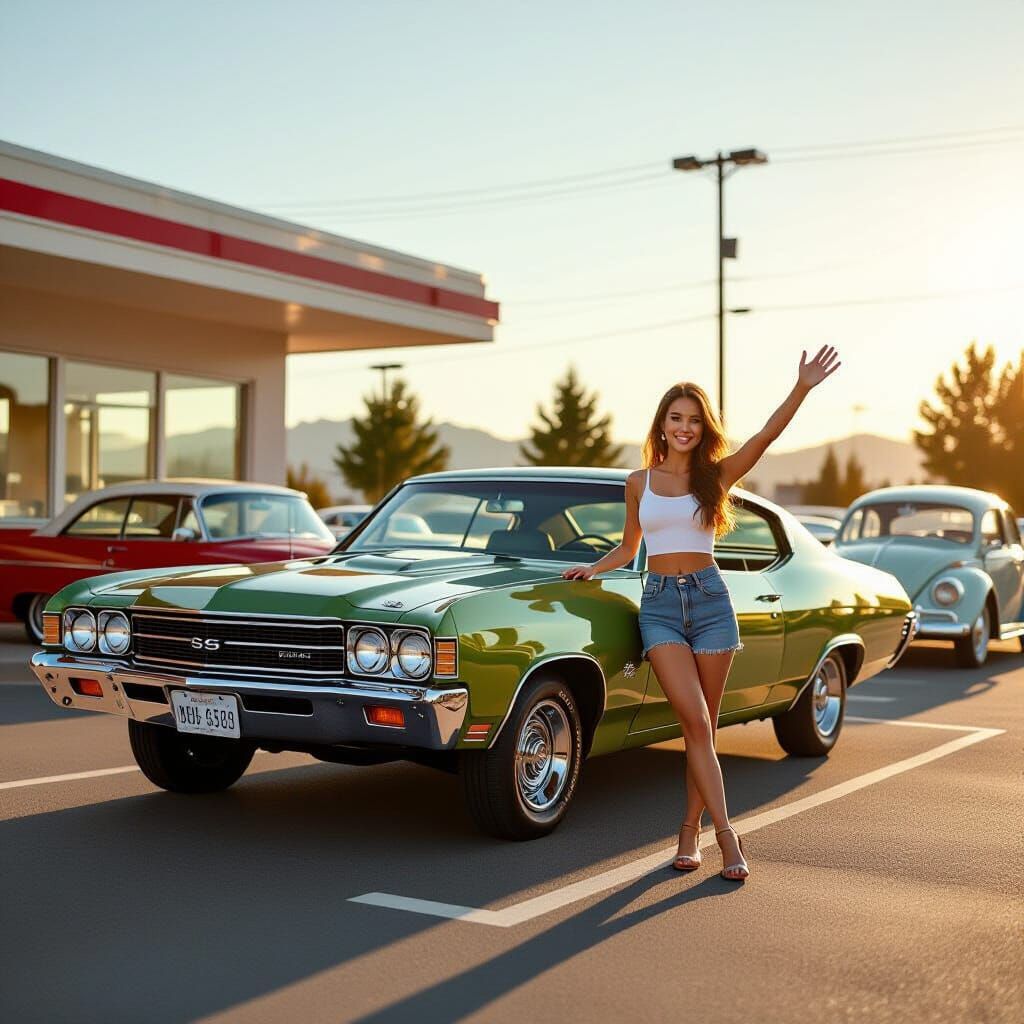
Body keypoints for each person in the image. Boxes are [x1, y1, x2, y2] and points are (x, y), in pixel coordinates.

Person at [562, 345, 842, 881]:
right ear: (662, 425)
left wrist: (802, 386)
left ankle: (689, 834)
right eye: (676, 418)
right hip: (661, 607)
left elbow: (765, 436)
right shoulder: (638, 483)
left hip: (712, 603)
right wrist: (593, 569)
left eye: (693, 420)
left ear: (702, 428)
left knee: (703, 731)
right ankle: (728, 837)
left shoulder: (716, 476)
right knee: (692, 721)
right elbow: (629, 548)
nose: (684, 427)